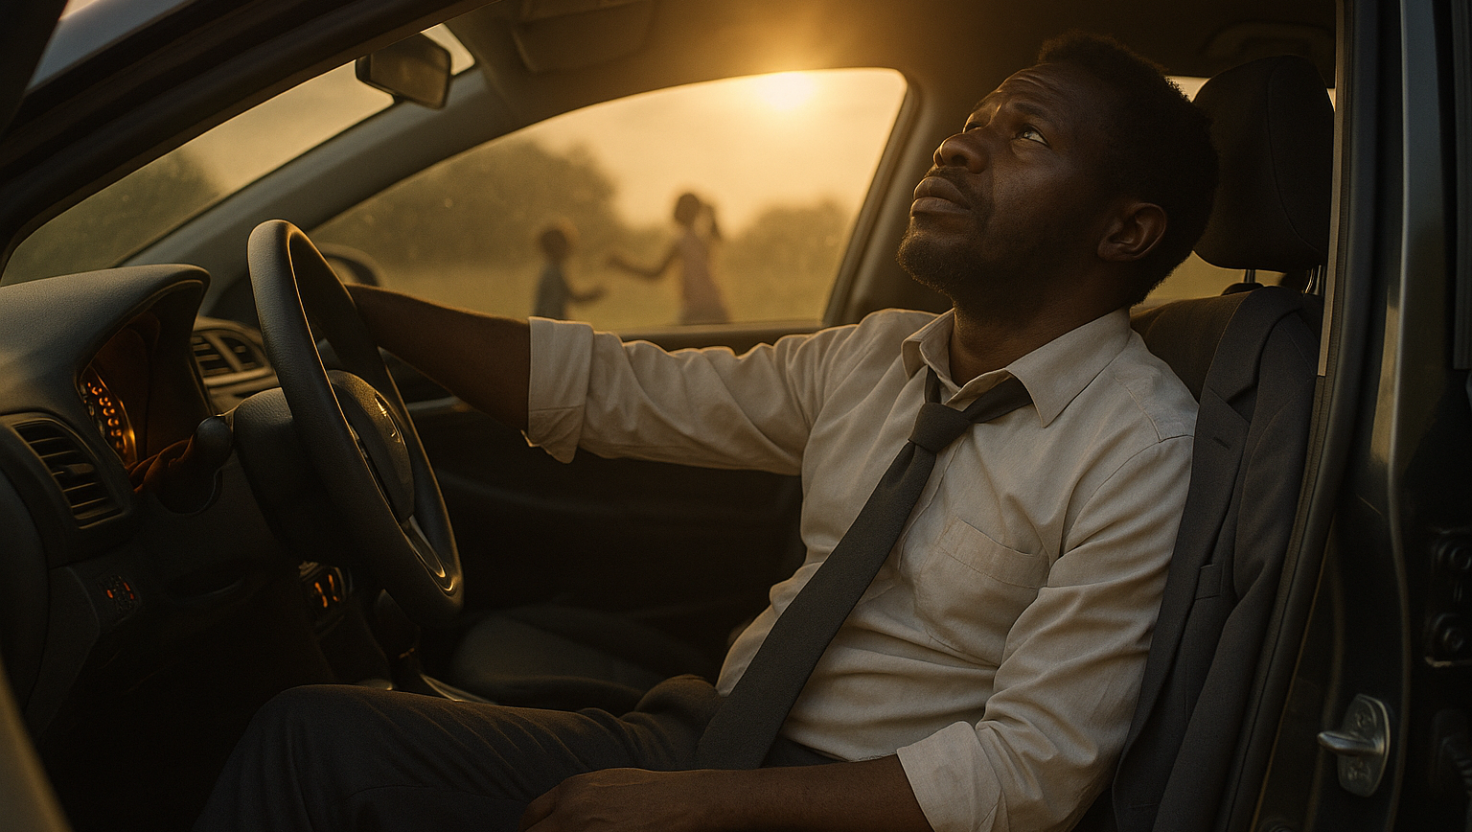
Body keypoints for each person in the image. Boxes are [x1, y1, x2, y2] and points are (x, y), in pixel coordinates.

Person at [194, 31, 1216, 832]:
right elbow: (614, 390)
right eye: (976, 120)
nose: (959, 145)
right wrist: (357, 313)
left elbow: (1028, 773)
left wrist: (696, 806)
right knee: (313, 733)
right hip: (705, 740)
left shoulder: (1141, 450)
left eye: (1025, 136)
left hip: (826, 806)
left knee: (314, 747)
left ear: (1124, 230)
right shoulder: (876, 357)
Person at [606, 191, 730, 324]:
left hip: (697, 308)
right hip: (716, 306)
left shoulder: (682, 242)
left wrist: (623, 264)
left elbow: (655, 273)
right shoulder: (702, 240)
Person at [531, 221, 604, 320]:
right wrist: (597, 292)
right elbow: (574, 299)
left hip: (547, 323)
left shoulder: (553, 269)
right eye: (565, 244)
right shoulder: (553, 273)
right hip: (549, 324)